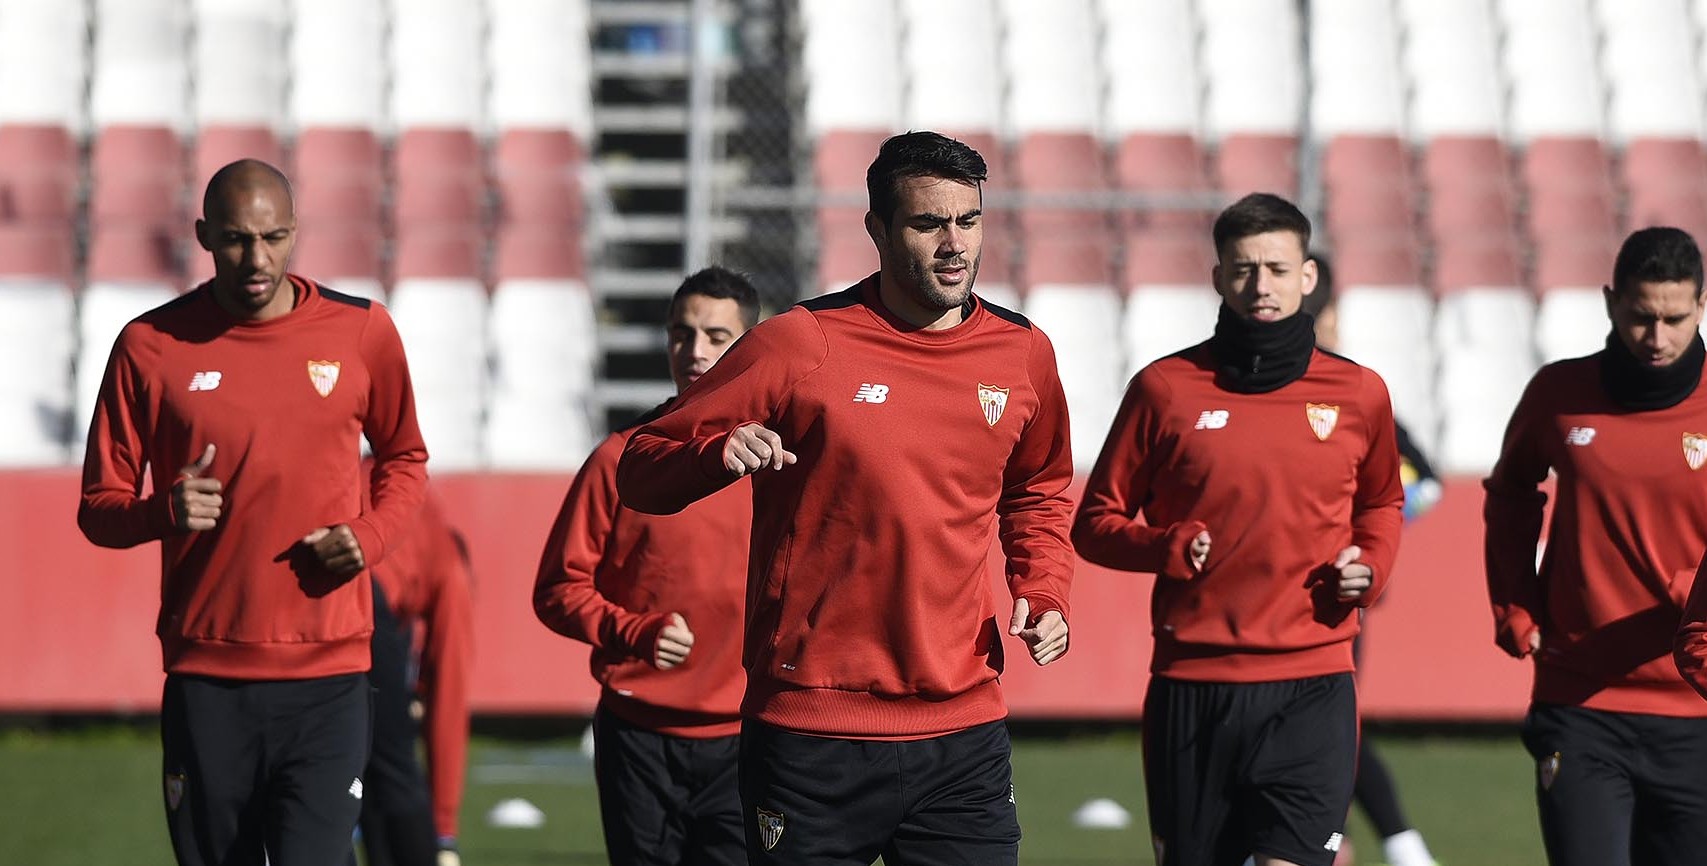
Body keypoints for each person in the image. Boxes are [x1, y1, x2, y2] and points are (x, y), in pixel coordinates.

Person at [615, 131, 1075, 866]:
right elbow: (639, 468)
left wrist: (1044, 590)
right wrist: (714, 454)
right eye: (927, 224)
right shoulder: (799, 343)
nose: (954, 244)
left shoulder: (1023, 353)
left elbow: (1039, 490)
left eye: (968, 220)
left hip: (962, 730)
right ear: (878, 229)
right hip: (810, 733)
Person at [77, 159, 428, 866]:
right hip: (209, 679)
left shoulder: (362, 331)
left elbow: (405, 459)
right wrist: (161, 513)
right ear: (205, 235)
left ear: (295, 232)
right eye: (237, 239)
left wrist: (369, 537)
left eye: (272, 238)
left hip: (329, 679)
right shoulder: (150, 346)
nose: (256, 258)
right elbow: (98, 508)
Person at [1072, 193, 1405, 866]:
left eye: (1277, 269)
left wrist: (1370, 564)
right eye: (1245, 269)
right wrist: (1163, 547)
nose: (1262, 286)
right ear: (1219, 276)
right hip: (1192, 686)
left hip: (1313, 684)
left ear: (1306, 277)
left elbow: (1381, 504)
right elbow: (1094, 524)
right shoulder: (1164, 389)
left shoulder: (1359, 393)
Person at [1487, 226, 1707, 866]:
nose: (1658, 337)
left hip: (1696, 705)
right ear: (1612, 303)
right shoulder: (1558, 394)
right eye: (1642, 316)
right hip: (1580, 701)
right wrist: (1513, 599)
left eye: (1675, 318)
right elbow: (1510, 495)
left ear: (1700, 306)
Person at [534, 266, 761, 866]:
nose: (694, 350)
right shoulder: (618, 459)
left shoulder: (783, 468)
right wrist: (633, 631)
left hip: (751, 738)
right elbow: (558, 588)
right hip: (637, 737)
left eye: (717, 336)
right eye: (681, 334)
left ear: (750, 349)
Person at [1301, 256, 1441, 866]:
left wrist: (1369, 527)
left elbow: (1423, 482)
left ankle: (1394, 842)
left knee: (1329, 722)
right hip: (1256, 599)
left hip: (1332, 594)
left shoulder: (1355, 393)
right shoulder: (1233, 385)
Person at [360, 481, 474, 866]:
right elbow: (448, 702)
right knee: (394, 768)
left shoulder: (385, 486)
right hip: (361, 595)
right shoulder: (451, 568)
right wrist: (445, 832)